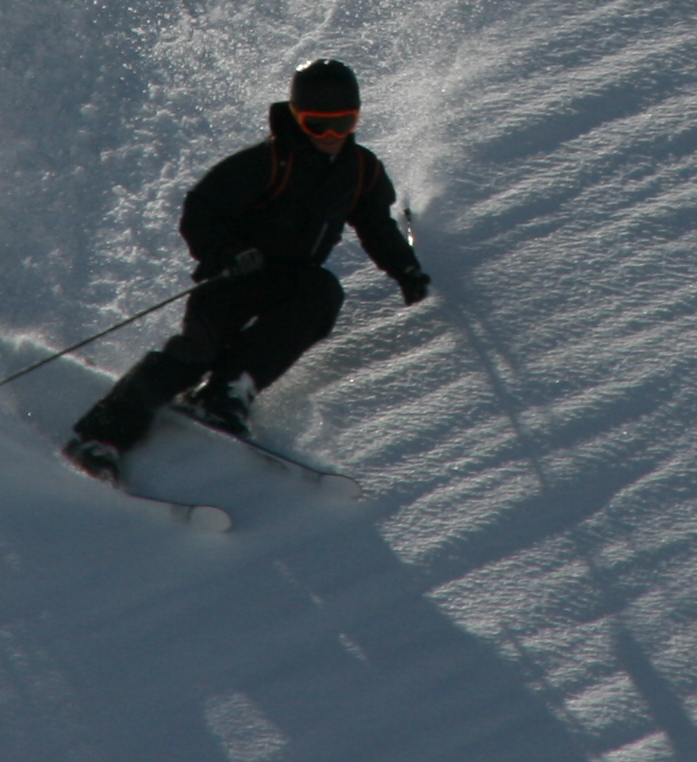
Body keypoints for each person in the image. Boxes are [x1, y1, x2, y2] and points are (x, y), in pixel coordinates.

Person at [66, 58, 430, 479]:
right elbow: (201, 209)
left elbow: (375, 224)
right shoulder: (266, 163)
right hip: (234, 279)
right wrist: (225, 254)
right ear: (297, 117)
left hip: (292, 281)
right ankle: (100, 437)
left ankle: (227, 392)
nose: (331, 137)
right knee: (197, 352)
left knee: (323, 293)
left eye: (343, 123)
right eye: (317, 125)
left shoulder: (360, 170)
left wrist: (406, 270)